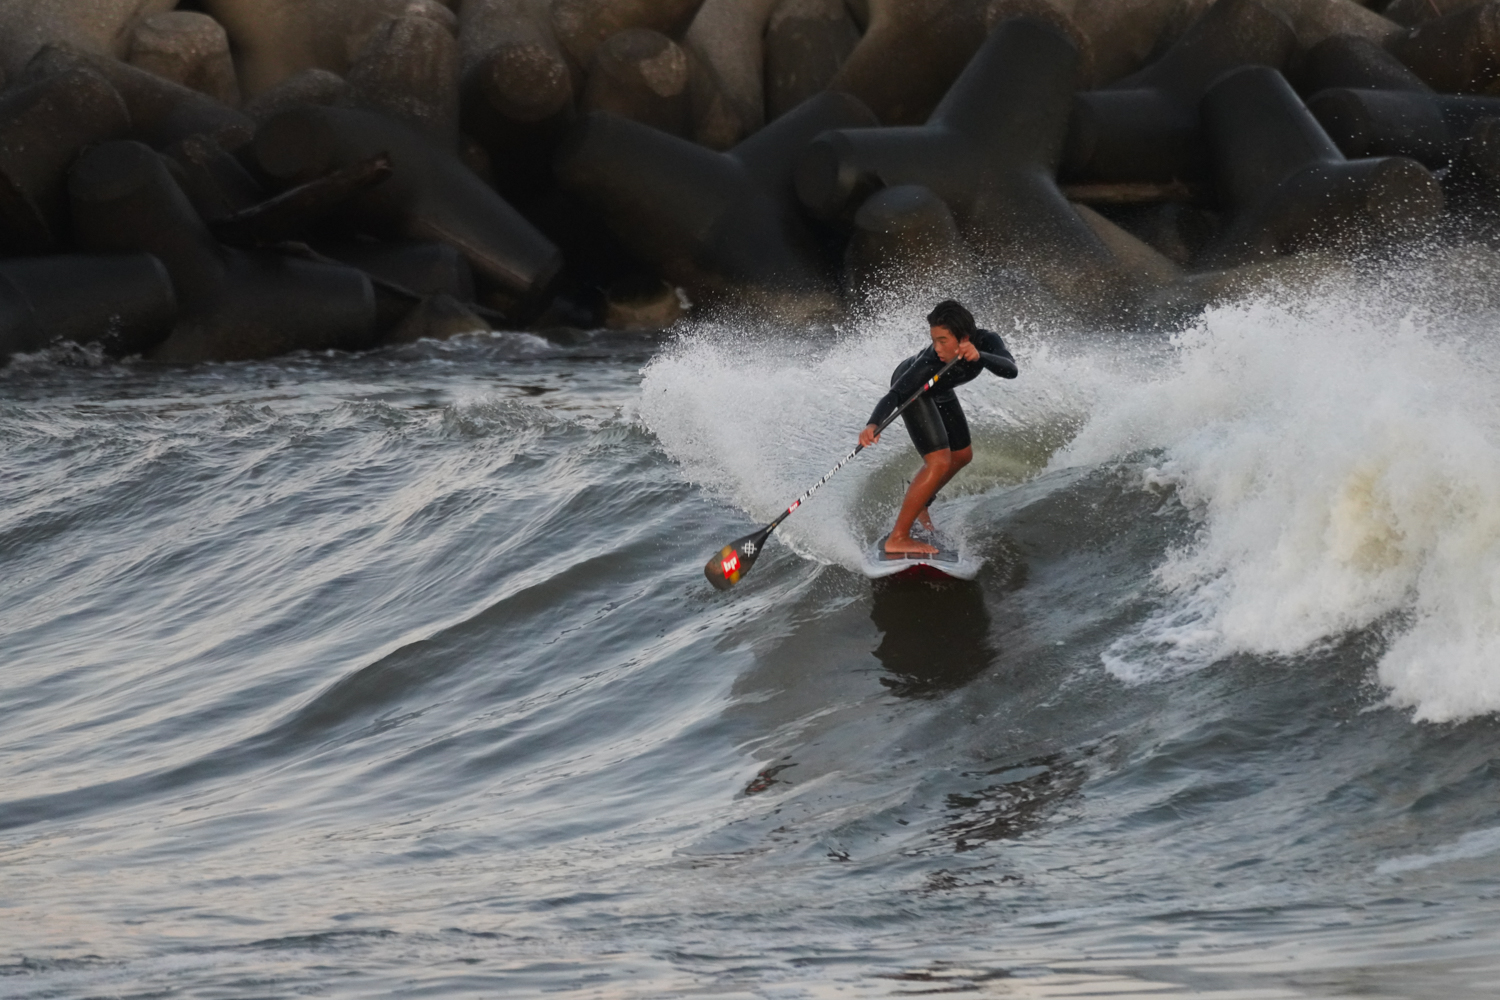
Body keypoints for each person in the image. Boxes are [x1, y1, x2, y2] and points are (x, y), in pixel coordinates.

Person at [858, 299, 1018, 555]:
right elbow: (895, 395)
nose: (937, 347)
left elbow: (1011, 370)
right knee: (939, 461)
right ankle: (898, 537)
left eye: (943, 341)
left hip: (941, 389)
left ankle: (922, 502)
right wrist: (873, 424)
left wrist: (981, 356)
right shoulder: (929, 362)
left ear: (964, 338)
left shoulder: (986, 340)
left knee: (962, 456)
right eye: (934, 340)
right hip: (915, 390)